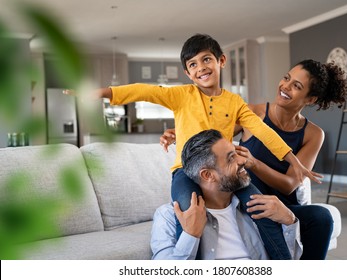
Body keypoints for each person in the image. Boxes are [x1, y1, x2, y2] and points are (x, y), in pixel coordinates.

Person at [65, 34, 321, 260]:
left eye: (206, 59)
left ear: (221, 60)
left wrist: (293, 160)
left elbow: (264, 131)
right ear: (188, 74)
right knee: (188, 211)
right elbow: (144, 91)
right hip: (185, 172)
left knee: (260, 209)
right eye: (193, 64)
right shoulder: (182, 95)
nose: (201, 68)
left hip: (225, 172)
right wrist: (100, 93)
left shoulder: (235, 103)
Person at [160, 59, 347, 259]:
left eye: (297, 86)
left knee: (322, 217)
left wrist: (254, 164)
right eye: (286, 78)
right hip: (246, 204)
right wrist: (180, 133)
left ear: (310, 99)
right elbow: (214, 138)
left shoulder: (313, 134)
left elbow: (289, 185)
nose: (285, 86)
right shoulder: (252, 112)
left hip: (282, 205)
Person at [151, 129, 302, 260]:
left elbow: (287, 262)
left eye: (237, 153)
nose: (243, 160)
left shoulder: (257, 208)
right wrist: (190, 235)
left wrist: (289, 220)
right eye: (231, 158)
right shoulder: (168, 216)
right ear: (208, 175)